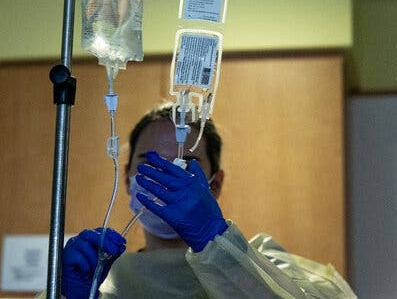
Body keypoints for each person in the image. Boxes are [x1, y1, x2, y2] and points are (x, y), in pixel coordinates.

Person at [37, 103, 357, 299]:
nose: (164, 178)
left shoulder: (267, 264)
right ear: (127, 179)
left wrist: (216, 244)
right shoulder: (102, 281)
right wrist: (63, 296)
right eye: (150, 164)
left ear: (213, 185)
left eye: (182, 165)